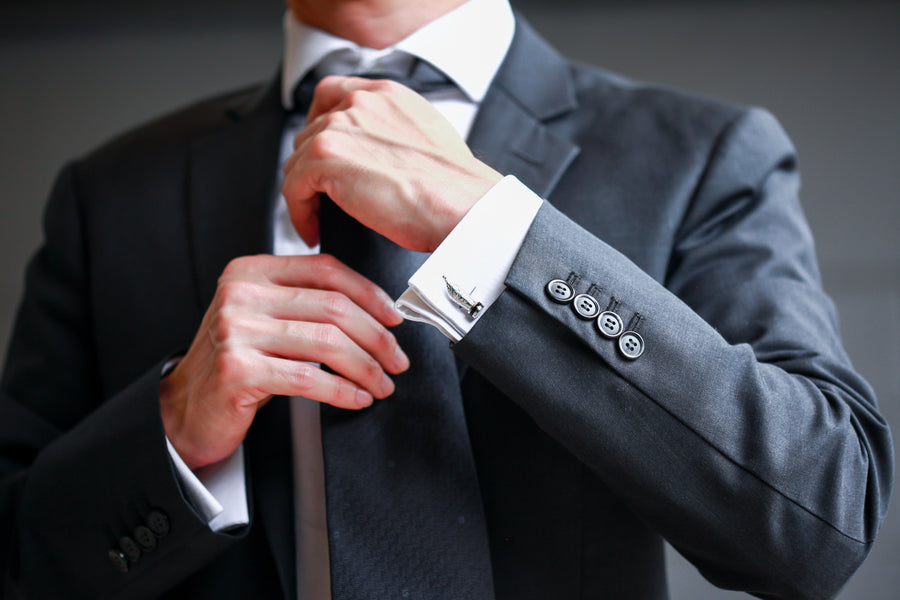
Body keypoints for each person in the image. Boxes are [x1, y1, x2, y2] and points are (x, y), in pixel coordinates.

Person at [0, 0, 892, 598]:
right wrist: (171, 431)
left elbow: (818, 516)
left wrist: (494, 230)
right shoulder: (110, 192)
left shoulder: (704, 153)